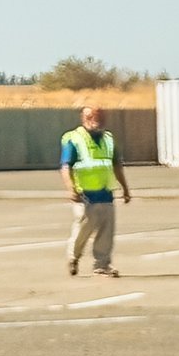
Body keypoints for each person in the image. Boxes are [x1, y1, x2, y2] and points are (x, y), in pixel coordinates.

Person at [60, 104, 131, 278]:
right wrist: (70, 188)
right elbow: (66, 167)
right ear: (83, 118)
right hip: (84, 194)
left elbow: (116, 165)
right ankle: (73, 256)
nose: (95, 120)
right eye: (90, 117)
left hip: (105, 193)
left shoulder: (108, 139)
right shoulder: (74, 139)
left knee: (106, 231)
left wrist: (125, 188)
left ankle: (102, 265)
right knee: (83, 229)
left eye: (98, 116)